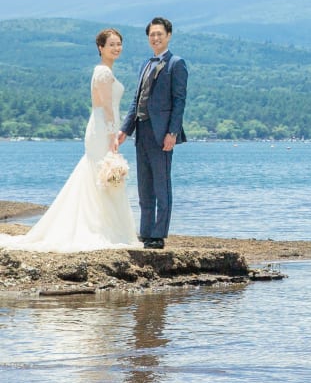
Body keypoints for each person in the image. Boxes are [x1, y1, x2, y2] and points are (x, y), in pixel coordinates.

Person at [0, 29, 141, 252]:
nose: (116, 48)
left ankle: (102, 226)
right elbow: (107, 108)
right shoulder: (103, 72)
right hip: (102, 128)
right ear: (100, 48)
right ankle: (97, 228)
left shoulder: (105, 71)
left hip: (101, 126)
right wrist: (113, 135)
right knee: (99, 173)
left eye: (119, 44)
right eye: (111, 44)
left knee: (96, 175)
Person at [118, 17, 188, 249]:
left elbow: (179, 102)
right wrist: (125, 130)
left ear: (168, 35)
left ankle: (159, 234)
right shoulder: (145, 64)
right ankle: (146, 232)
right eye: (152, 35)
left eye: (159, 34)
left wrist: (173, 133)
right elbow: (135, 101)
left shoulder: (176, 64)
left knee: (161, 184)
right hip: (142, 130)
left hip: (162, 133)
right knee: (144, 185)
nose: (155, 38)